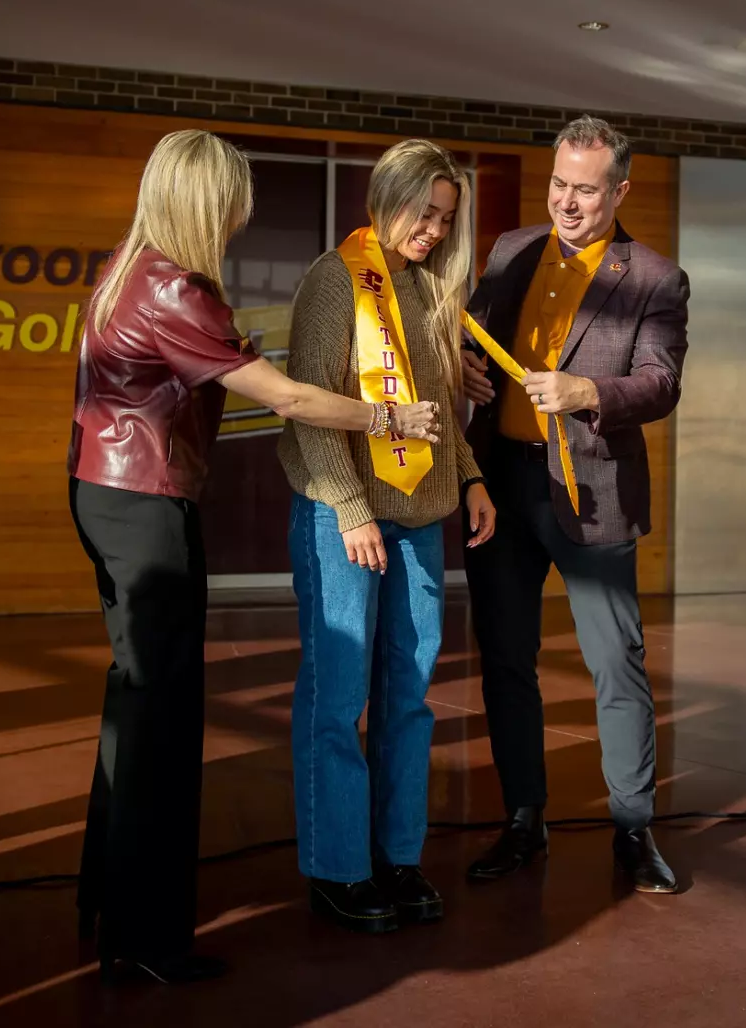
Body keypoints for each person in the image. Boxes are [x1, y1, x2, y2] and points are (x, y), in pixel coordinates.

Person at [67, 129, 442, 984]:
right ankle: (147, 941)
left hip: (106, 492)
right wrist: (387, 417)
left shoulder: (128, 267)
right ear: (203, 202)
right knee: (163, 726)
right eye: (233, 202)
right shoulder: (173, 287)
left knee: (135, 710)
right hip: (146, 505)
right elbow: (287, 398)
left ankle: (110, 902)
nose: (239, 218)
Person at [458, 116, 689, 893]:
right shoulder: (511, 250)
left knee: (616, 663)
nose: (565, 201)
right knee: (505, 658)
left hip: (593, 496)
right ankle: (524, 820)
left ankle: (633, 830)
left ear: (619, 191)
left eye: (584, 190)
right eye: (559, 183)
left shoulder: (654, 278)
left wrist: (587, 390)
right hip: (501, 485)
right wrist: (465, 370)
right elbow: (473, 341)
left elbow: (660, 383)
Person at [278, 140, 496, 934]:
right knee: (338, 697)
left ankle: (397, 855)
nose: (433, 231)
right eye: (424, 213)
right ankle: (338, 868)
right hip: (344, 517)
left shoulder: (433, 289)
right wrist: (348, 505)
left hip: (419, 516)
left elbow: (438, 411)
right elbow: (310, 407)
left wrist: (469, 477)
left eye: (445, 219)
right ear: (386, 198)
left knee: (408, 696)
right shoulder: (335, 279)